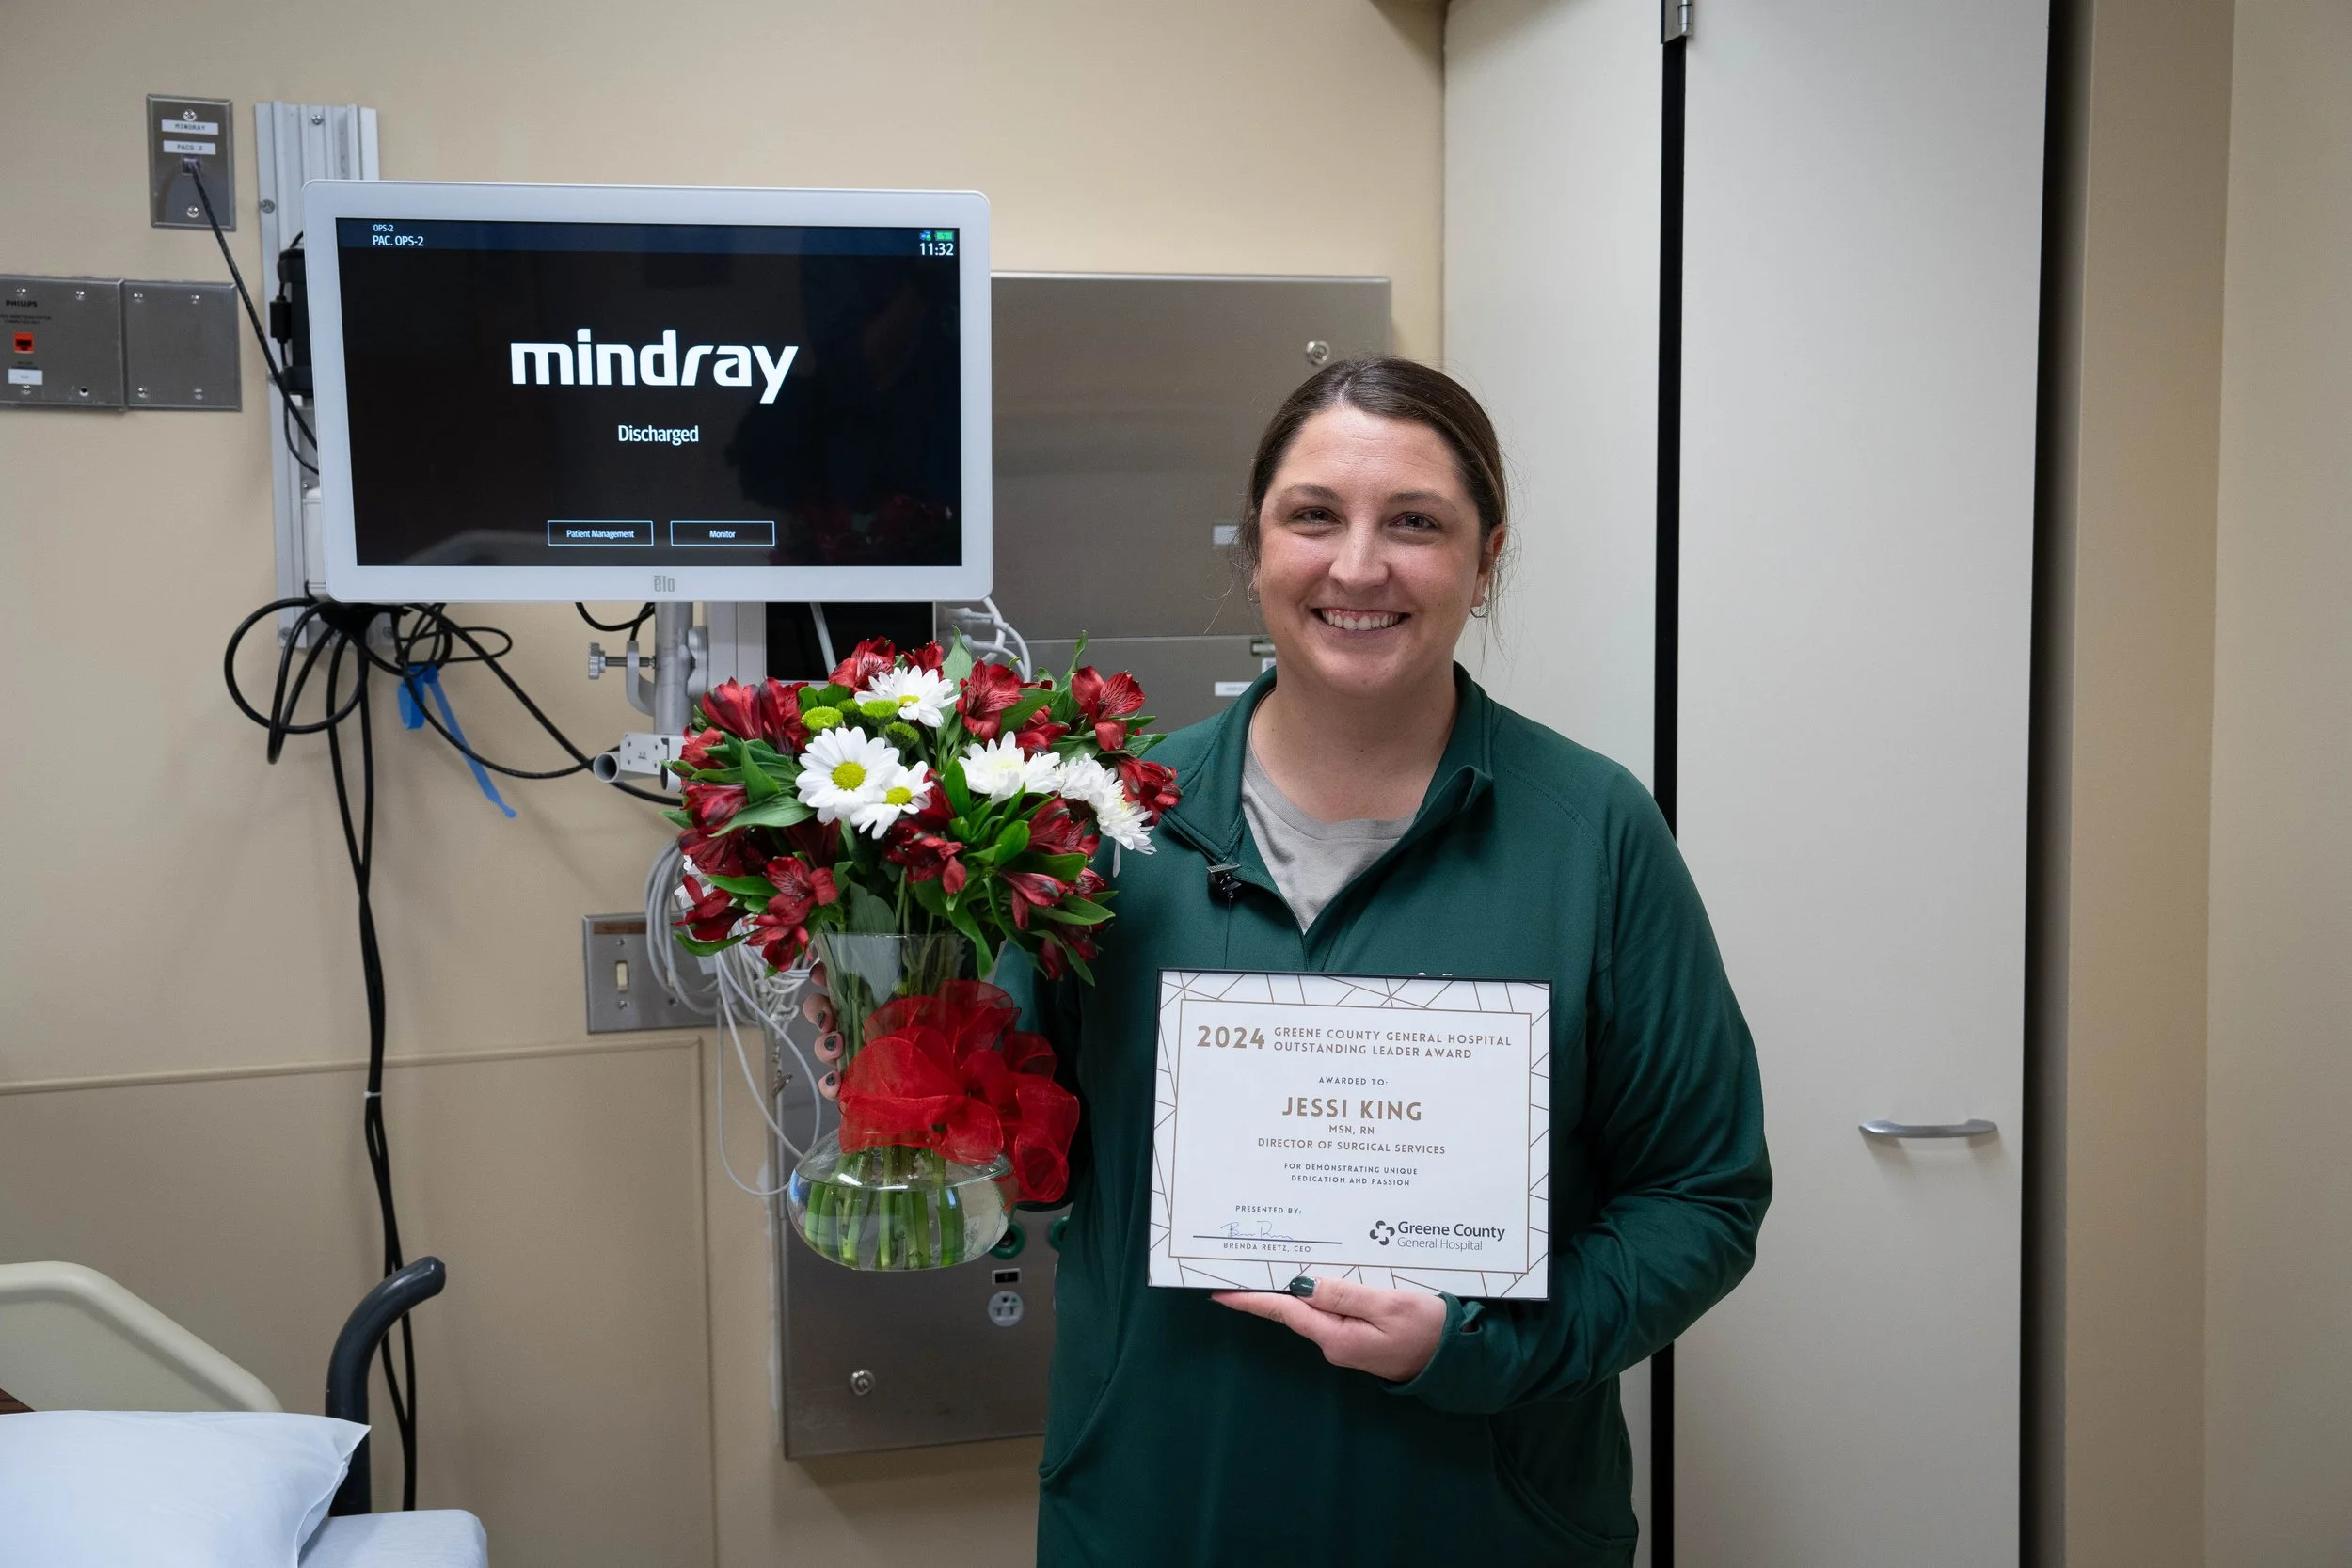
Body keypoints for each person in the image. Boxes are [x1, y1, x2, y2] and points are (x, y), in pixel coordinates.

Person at [1010, 356, 1770, 1566]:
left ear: (1487, 557)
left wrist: (1485, 1344)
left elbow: (1701, 1193)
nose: (1358, 566)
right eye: (1313, 515)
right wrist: (904, 1065)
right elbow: (1010, 1143)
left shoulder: (1592, 833)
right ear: (1254, 544)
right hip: (1165, 1497)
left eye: (1414, 522)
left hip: (1482, 1513)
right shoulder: (1106, 820)